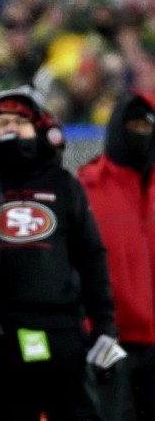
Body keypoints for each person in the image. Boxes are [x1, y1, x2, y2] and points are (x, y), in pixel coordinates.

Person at [0, 87, 118, 420]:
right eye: (2, 122)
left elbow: (91, 257)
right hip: (0, 339)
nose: (11, 128)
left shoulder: (64, 185)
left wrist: (105, 324)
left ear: (37, 128)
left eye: (20, 121)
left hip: (64, 335)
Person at [77, 92, 155, 421]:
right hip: (108, 339)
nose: (140, 133)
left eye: (147, 126)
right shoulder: (87, 187)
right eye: (132, 125)